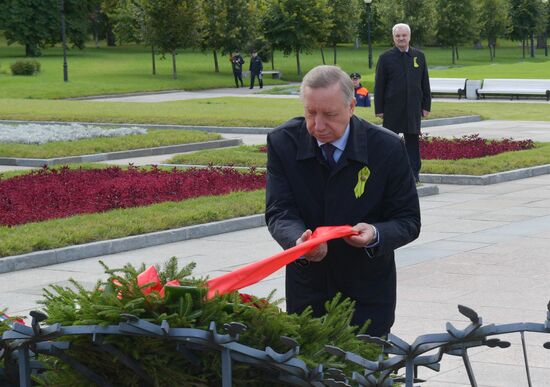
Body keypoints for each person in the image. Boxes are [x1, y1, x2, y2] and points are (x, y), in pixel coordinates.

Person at [265, 65, 420, 337]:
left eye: (330, 114)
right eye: (311, 113)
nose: (318, 125)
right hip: (308, 291)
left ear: (352, 107)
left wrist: (375, 233)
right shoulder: (283, 142)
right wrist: (298, 242)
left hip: (367, 292)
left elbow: (408, 220)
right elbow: (279, 210)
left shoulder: (387, 147)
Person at [374, 23, 431, 182]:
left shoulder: (419, 56)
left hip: (413, 108)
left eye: (404, 35)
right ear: (393, 38)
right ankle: (388, 174)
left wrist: (426, 105)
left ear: (409, 37)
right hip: (392, 108)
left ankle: (414, 176)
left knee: (413, 142)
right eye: (398, 36)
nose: (401, 38)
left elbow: (424, 82)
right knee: (389, 142)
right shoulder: (385, 58)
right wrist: (379, 108)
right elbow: (379, 85)